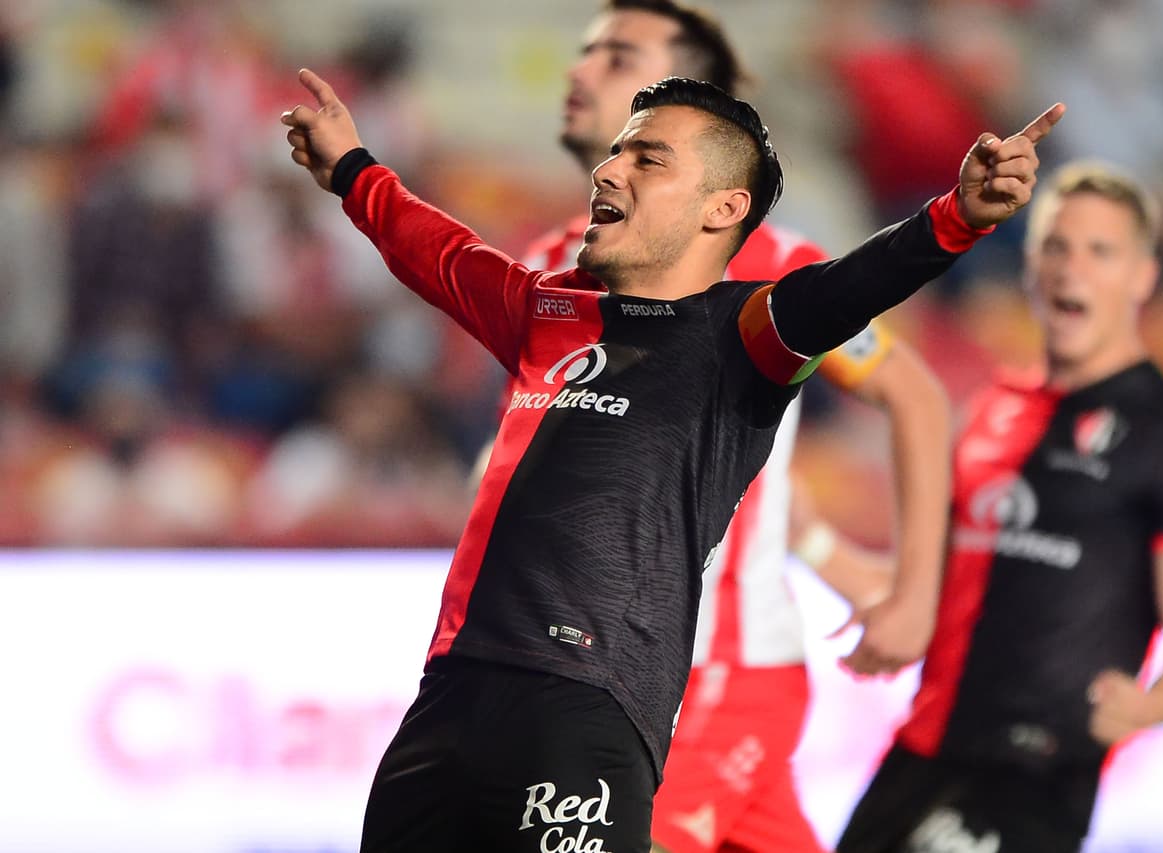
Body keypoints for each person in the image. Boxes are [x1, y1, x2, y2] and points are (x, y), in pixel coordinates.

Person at [282, 62, 1062, 853]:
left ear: (723, 208)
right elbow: (439, 250)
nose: (609, 168)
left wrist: (958, 216)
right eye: (617, 152)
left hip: (585, 714)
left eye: (648, 157)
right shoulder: (544, 311)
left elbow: (857, 284)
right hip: (443, 704)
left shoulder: (747, 336)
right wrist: (352, 170)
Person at [524, 4, 952, 851]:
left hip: (708, 671)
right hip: (597, 669)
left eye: (618, 60)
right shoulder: (545, 268)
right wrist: (833, 556)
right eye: (585, 55)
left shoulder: (769, 265)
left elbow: (916, 396)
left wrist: (913, 593)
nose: (582, 74)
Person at [836, 161, 1163, 853]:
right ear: (1029, 266)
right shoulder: (995, 405)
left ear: (1142, 277)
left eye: (1099, 250)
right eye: (1055, 245)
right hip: (919, 750)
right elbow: (933, 583)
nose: (1070, 268)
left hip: (1033, 779)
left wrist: (1146, 705)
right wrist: (815, 543)